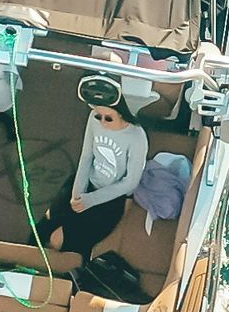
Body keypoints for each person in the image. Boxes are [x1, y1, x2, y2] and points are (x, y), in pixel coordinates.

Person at [37, 96, 148, 263]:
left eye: (108, 118)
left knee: (57, 241)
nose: (102, 122)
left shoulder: (137, 137)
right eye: (98, 116)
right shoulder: (93, 118)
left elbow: (130, 182)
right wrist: (77, 193)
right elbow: (86, 157)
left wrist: (91, 200)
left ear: (121, 114)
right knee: (43, 230)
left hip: (111, 197)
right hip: (87, 183)